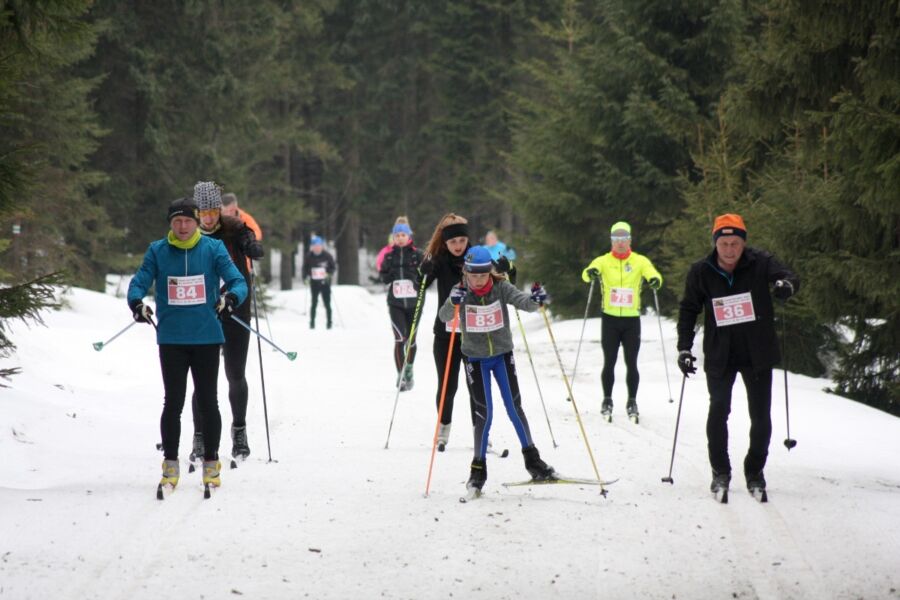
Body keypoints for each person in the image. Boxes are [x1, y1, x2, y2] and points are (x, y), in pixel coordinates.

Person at [127, 198, 248, 494]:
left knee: (209, 402)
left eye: (188, 221)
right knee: (173, 402)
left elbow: (238, 281)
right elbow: (138, 283)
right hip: (172, 339)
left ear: (196, 222)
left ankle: (211, 463)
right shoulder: (157, 250)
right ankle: (170, 465)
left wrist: (230, 298)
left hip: (207, 337)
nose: (182, 227)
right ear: (170, 224)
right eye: (177, 222)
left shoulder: (213, 248)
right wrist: (137, 304)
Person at [676, 213, 799, 498]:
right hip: (721, 354)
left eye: (735, 243)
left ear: (743, 244)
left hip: (757, 353)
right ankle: (720, 472)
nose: (730, 250)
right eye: (724, 243)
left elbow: (788, 276)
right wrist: (684, 347)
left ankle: (755, 471)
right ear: (715, 243)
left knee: (760, 416)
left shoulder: (760, 262)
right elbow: (688, 309)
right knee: (719, 409)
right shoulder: (701, 271)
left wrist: (786, 286)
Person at [438, 246, 555, 493]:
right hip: (475, 360)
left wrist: (537, 300)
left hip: (502, 356)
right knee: (484, 413)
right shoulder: (460, 291)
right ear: (466, 273)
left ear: (490, 271)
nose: (478, 280)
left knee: (514, 407)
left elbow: (524, 302)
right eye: (473, 275)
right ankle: (478, 470)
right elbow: (444, 315)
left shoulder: (501, 287)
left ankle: (533, 462)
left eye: (483, 274)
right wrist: (453, 302)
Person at [191, 181, 264, 463]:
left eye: (212, 211)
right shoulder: (188, 232)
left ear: (219, 210)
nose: (208, 218)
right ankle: (199, 437)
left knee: (235, 374)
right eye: (203, 212)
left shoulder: (234, 228)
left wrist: (251, 247)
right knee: (202, 380)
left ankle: (239, 430)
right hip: (204, 313)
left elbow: (249, 239)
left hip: (236, 309)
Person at [580, 221, 662, 422]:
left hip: (631, 320)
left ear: (630, 240)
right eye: (616, 239)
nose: (620, 243)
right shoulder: (604, 260)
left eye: (624, 238)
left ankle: (632, 400)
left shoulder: (639, 261)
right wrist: (590, 273)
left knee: (631, 362)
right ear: (611, 241)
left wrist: (654, 279)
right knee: (609, 361)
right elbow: (588, 271)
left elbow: (653, 272)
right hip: (610, 320)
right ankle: (607, 399)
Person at [418, 214, 476, 451]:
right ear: (445, 243)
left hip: (474, 334)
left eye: (462, 240)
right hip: (446, 333)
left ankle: (480, 433)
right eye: (453, 242)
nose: (458, 246)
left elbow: (499, 278)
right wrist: (423, 271)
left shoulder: (476, 257)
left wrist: (508, 268)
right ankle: (443, 430)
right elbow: (421, 282)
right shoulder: (440, 260)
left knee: (477, 387)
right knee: (447, 386)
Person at [379, 220, 424, 391]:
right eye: (397, 235)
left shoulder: (417, 254)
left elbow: (428, 273)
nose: (400, 238)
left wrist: (420, 276)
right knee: (400, 338)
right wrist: (389, 274)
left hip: (414, 303)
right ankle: (401, 374)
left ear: (409, 236)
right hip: (396, 303)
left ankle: (409, 367)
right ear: (393, 237)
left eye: (403, 235)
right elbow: (383, 276)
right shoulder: (389, 256)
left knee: (411, 339)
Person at [302, 235, 336, 329]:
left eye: (319, 245)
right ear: (312, 247)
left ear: (321, 246)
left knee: (327, 303)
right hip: (314, 283)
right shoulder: (309, 256)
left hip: (325, 283)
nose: (317, 248)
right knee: (314, 303)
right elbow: (305, 268)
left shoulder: (327, 255)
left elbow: (333, 267)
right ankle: (312, 323)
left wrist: (329, 274)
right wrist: (305, 278)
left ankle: (329, 323)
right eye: (315, 246)